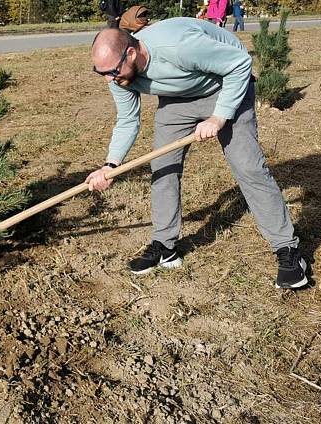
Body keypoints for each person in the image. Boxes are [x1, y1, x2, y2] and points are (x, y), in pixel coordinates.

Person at [85, 19, 308, 290]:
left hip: (226, 86)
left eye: (111, 71)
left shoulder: (178, 47)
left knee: (248, 167)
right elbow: (127, 120)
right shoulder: (116, 74)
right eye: (102, 73)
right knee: (163, 167)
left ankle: (288, 249)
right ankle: (165, 246)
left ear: (131, 53)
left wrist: (218, 118)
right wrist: (111, 164)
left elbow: (239, 64)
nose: (108, 78)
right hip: (178, 101)